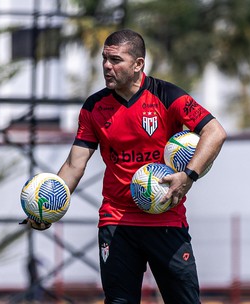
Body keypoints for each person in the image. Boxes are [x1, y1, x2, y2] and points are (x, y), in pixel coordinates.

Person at [25, 29, 227, 303]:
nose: (107, 66)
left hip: (165, 219)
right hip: (116, 221)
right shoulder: (94, 107)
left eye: (116, 60)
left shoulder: (167, 96)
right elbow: (74, 164)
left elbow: (215, 132)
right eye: (104, 59)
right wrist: (47, 206)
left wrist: (188, 175)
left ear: (138, 64)